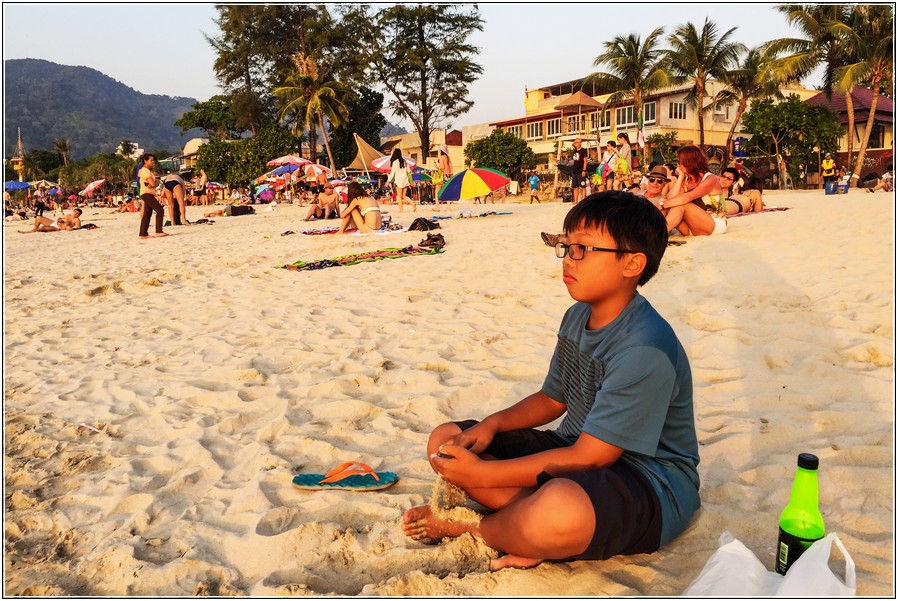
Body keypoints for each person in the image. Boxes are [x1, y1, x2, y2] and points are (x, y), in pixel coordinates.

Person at [401, 191, 700, 571]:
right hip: (573, 449)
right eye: (566, 246)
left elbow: (594, 457)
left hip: (648, 480)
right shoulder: (577, 316)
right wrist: (491, 425)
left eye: (582, 249)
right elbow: (552, 399)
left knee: (559, 509)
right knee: (446, 442)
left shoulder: (645, 348)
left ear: (632, 263)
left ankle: (478, 527)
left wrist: (483, 474)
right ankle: (527, 527)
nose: (568, 259)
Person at [660, 145, 726, 236]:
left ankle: (658, 235)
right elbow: (669, 198)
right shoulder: (686, 180)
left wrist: (662, 205)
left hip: (714, 224)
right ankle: (656, 232)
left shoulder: (710, 179)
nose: (678, 165)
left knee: (681, 204)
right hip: (692, 227)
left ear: (689, 162)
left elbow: (687, 197)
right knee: (665, 202)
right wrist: (680, 177)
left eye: (680, 162)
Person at [137, 154, 167, 239]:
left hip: (147, 193)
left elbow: (151, 183)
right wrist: (157, 182)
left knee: (147, 214)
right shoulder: (145, 171)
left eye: (153, 160)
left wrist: (154, 182)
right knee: (160, 210)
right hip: (147, 193)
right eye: (151, 160)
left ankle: (143, 233)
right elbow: (153, 184)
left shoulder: (146, 171)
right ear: (145, 161)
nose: (153, 162)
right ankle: (158, 231)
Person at [388, 148, 415, 213]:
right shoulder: (404, 161)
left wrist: (388, 181)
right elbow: (409, 171)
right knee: (404, 196)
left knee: (399, 197)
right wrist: (411, 181)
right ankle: (412, 203)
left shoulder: (395, 162)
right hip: (405, 180)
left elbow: (392, 173)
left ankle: (401, 210)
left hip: (398, 180)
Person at [435, 145, 453, 212]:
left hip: (442, 175)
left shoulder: (441, 157)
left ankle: (437, 207)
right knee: (447, 191)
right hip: (448, 175)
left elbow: (442, 167)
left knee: (437, 192)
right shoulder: (448, 157)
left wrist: (437, 164)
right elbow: (451, 166)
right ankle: (448, 207)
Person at [571, 138, 589, 204]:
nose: (579, 143)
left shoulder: (583, 151)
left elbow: (585, 161)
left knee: (582, 186)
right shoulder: (574, 151)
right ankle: (575, 201)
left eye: (580, 142)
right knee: (575, 187)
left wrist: (584, 170)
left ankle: (583, 200)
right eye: (577, 142)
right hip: (574, 171)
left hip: (581, 171)